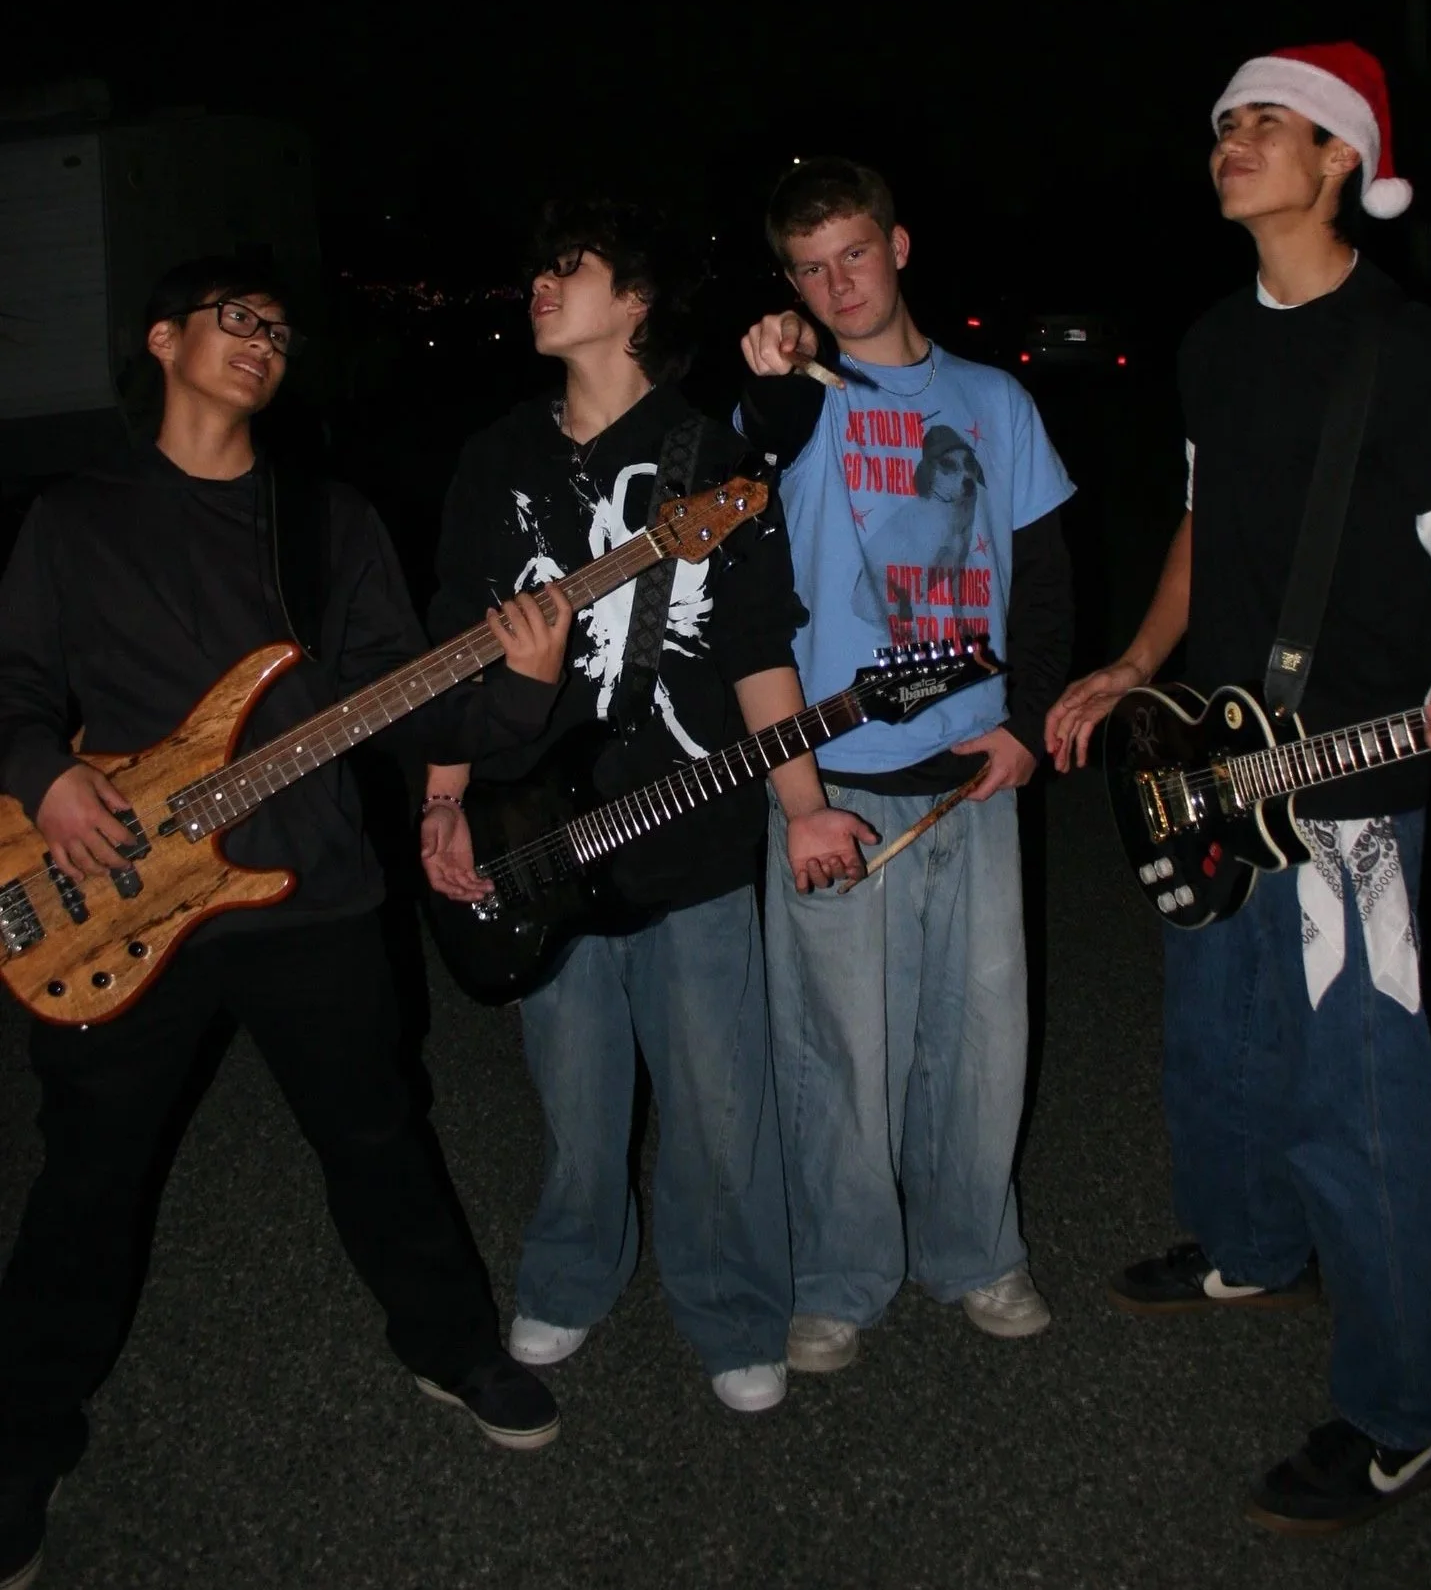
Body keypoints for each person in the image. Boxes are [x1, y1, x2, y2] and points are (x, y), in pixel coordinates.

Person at [0, 257, 574, 1590]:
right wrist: (45, 775)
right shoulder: (73, 519)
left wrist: (522, 688)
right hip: (117, 899)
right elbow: (12, 680)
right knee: (86, 1184)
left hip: (308, 892)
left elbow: (406, 700)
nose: (263, 341)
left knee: (378, 1137)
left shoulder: (326, 521)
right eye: (235, 320)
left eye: (278, 329)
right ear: (162, 339)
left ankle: (450, 1345)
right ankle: (22, 1438)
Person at [1046, 43, 1431, 1536]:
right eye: (1225, 121)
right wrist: (1133, 664)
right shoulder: (1211, 342)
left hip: (1350, 778)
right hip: (1214, 758)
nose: (1233, 138)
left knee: (1359, 1096)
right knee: (1218, 1035)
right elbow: (1207, 527)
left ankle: (1403, 1410)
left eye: (1269, 121)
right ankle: (1251, 1249)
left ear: (1340, 160)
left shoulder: (1407, 349)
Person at [421, 199, 847, 1416]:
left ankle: (733, 1307)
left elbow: (758, 644)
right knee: (574, 1086)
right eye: (539, 267)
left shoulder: (706, 455)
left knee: (720, 1097)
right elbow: (455, 641)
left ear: (638, 302)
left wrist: (805, 807)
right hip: (533, 827)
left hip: (690, 827)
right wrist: (444, 797)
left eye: (573, 267)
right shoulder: (497, 455)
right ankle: (572, 1269)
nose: (542, 284)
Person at [738, 156, 1075, 1372]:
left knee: (981, 1036)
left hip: (972, 771)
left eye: (854, 254)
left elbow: (1045, 577)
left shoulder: (994, 401)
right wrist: (768, 375)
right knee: (836, 1049)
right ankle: (838, 1277)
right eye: (810, 270)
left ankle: (976, 1251)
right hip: (834, 776)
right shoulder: (793, 403)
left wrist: (1025, 724)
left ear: (898, 246)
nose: (839, 285)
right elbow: (743, 470)